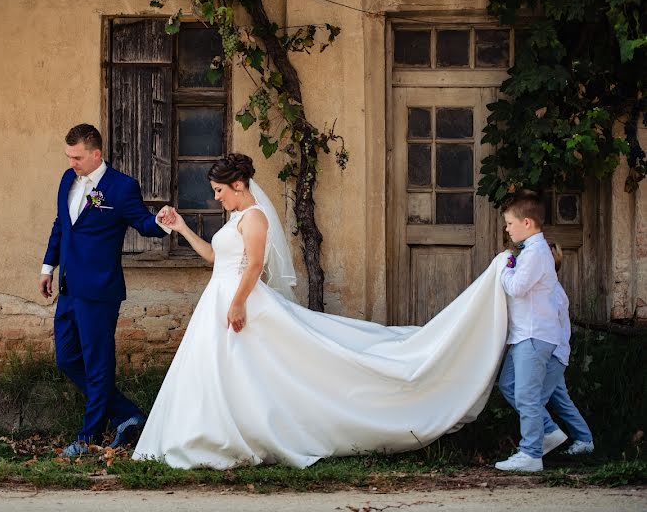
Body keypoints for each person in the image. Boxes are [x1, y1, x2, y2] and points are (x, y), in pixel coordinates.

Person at [133, 153, 511, 469]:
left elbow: (254, 265)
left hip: (239, 300)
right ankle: (212, 431)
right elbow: (216, 258)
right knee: (219, 371)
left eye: (219, 191)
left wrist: (237, 303)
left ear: (238, 185)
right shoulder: (235, 220)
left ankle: (250, 432)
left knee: (262, 368)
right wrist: (181, 227)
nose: (216, 198)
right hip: (219, 298)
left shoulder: (255, 218)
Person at [39, 124, 173, 457]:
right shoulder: (67, 181)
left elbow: (141, 222)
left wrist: (161, 222)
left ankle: (89, 438)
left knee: (98, 365)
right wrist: (48, 267)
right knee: (67, 358)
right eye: (69, 156)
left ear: (96, 154)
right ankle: (127, 414)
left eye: (78, 157)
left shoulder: (121, 186)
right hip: (69, 287)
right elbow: (62, 226)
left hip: (100, 290)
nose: (72, 163)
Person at [494, 191, 568, 472]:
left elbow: (516, 288)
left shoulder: (536, 253)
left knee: (526, 394)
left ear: (527, 223)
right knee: (509, 385)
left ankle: (531, 454)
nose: (507, 228)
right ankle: (547, 432)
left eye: (510, 223)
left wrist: (503, 268)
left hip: (534, 335)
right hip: (524, 334)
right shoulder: (530, 252)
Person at [544, 246, 595, 456]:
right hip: (555, 353)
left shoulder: (553, 292)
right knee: (561, 400)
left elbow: (548, 325)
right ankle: (584, 439)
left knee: (532, 399)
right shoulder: (549, 289)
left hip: (553, 354)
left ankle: (543, 438)